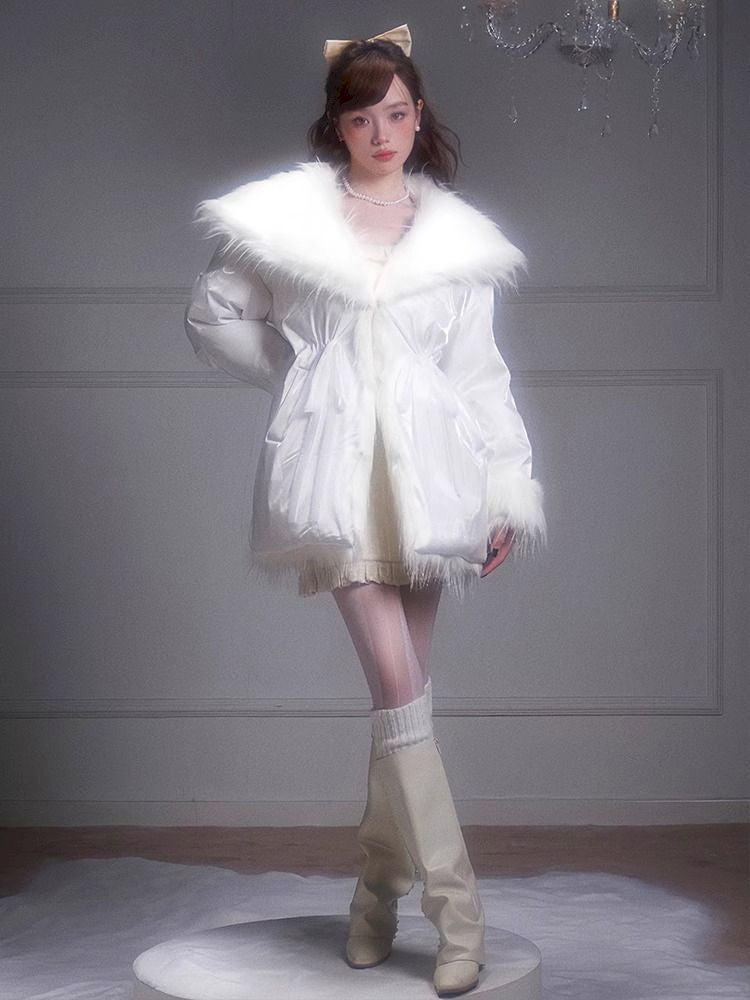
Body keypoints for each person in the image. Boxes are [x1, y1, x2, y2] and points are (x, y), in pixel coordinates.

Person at [184, 22, 545, 998]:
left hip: (436, 477)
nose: (381, 133)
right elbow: (212, 315)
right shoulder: (288, 224)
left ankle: (374, 900)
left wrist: (506, 489)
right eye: (361, 118)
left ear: (419, 117)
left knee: (404, 701)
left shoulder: (457, 242)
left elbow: (481, 376)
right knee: (396, 689)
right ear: (336, 126)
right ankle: (458, 912)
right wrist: (302, 378)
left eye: (395, 114)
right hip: (336, 478)